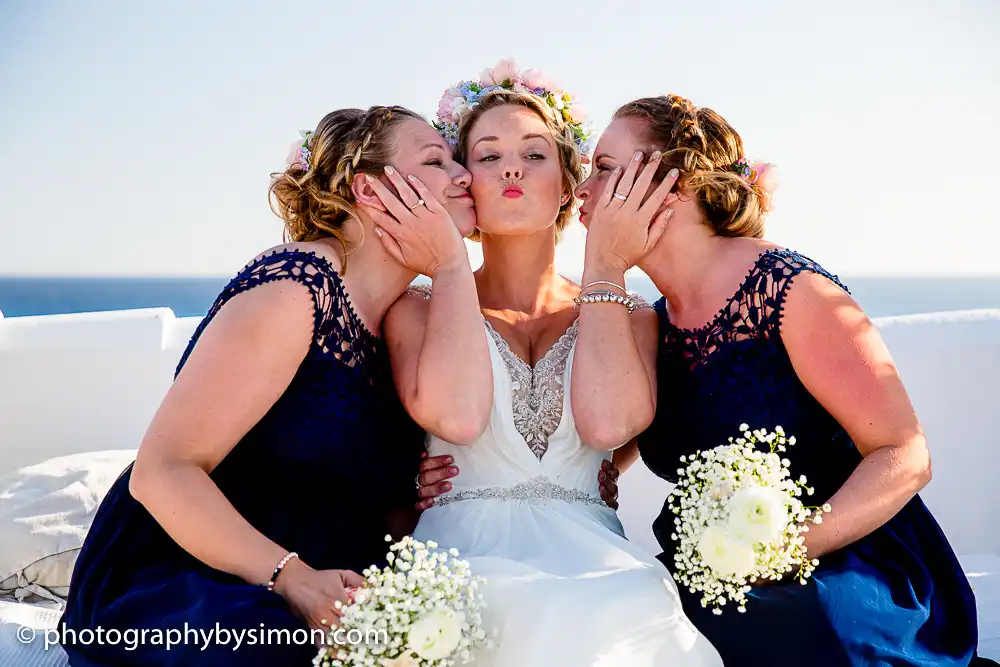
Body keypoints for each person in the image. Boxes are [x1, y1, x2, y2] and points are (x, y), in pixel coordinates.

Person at [575, 93, 995, 666]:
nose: (583, 190)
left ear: (670, 186)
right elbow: (602, 444)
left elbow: (906, 452)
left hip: (845, 557)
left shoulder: (789, 291)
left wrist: (789, 549)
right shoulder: (650, 321)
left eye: (602, 169)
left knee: (810, 632)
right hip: (715, 570)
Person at [59, 105, 482, 666]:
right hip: (192, 574)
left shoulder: (411, 320)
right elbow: (162, 472)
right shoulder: (297, 287)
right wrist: (293, 579)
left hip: (325, 576)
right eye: (436, 161)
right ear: (371, 190)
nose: (464, 176)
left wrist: (406, 488)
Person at [393, 62, 722, 666]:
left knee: (618, 614)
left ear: (571, 185)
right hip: (457, 559)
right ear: (465, 183)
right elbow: (447, 415)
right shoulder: (413, 311)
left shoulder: (635, 317)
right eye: (488, 156)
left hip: (600, 565)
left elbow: (610, 427)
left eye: (535, 154)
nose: (511, 167)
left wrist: (607, 264)